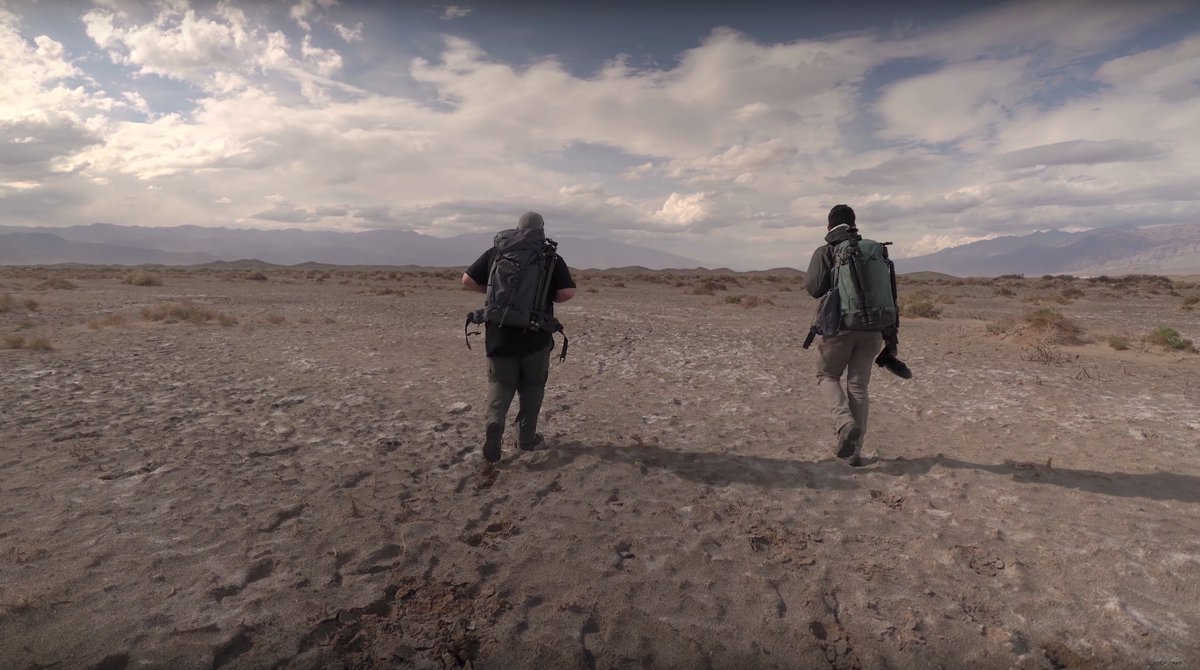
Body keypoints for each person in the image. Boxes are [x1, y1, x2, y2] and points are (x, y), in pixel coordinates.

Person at [462, 211, 576, 463]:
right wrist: (548, 298)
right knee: (533, 386)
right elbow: (567, 292)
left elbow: (467, 279)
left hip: (500, 330)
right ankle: (526, 439)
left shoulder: (498, 251)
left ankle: (494, 423)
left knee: (500, 383)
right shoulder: (549, 257)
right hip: (536, 332)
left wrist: (491, 296)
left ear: (517, 228)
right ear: (542, 230)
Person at [805, 204, 899, 466]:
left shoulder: (828, 250)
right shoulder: (872, 251)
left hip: (841, 327)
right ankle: (856, 452)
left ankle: (844, 422)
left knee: (826, 375)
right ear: (854, 224)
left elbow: (814, 288)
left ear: (828, 226)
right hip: (874, 330)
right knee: (858, 386)